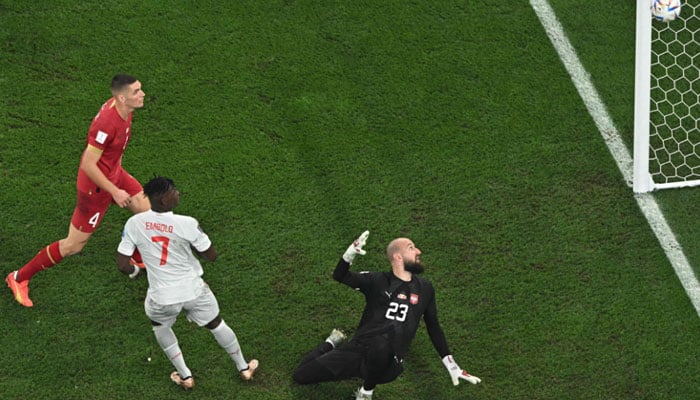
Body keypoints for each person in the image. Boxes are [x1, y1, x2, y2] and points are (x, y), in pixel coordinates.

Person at [6, 74, 151, 307]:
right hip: (95, 189)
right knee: (73, 245)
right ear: (122, 98)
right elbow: (87, 163)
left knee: (146, 212)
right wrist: (114, 190)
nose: (142, 94)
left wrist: (117, 174)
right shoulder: (107, 123)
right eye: (136, 91)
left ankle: (136, 256)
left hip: (114, 174)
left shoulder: (123, 109)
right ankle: (18, 278)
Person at [293, 231, 481, 399]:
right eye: (411, 248)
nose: (418, 251)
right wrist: (348, 255)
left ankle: (366, 392)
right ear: (398, 257)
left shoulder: (425, 288)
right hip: (358, 350)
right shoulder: (378, 281)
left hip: (390, 362)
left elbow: (433, 326)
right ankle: (332, 343)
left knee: (382, 343)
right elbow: (340, 276)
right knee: (300, 376)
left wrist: (451, 364)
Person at [116, 176, 258, 390]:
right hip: (194, 291)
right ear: (163, 200)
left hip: (161, 297)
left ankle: (185, 377)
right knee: (216, 324)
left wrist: (136, 271)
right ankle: (244, 368)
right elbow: (211, 255)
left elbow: (122, 264)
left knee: (160, 326)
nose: (178, 193)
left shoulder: (134, 223)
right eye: (174, 191)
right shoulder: (187, 223)